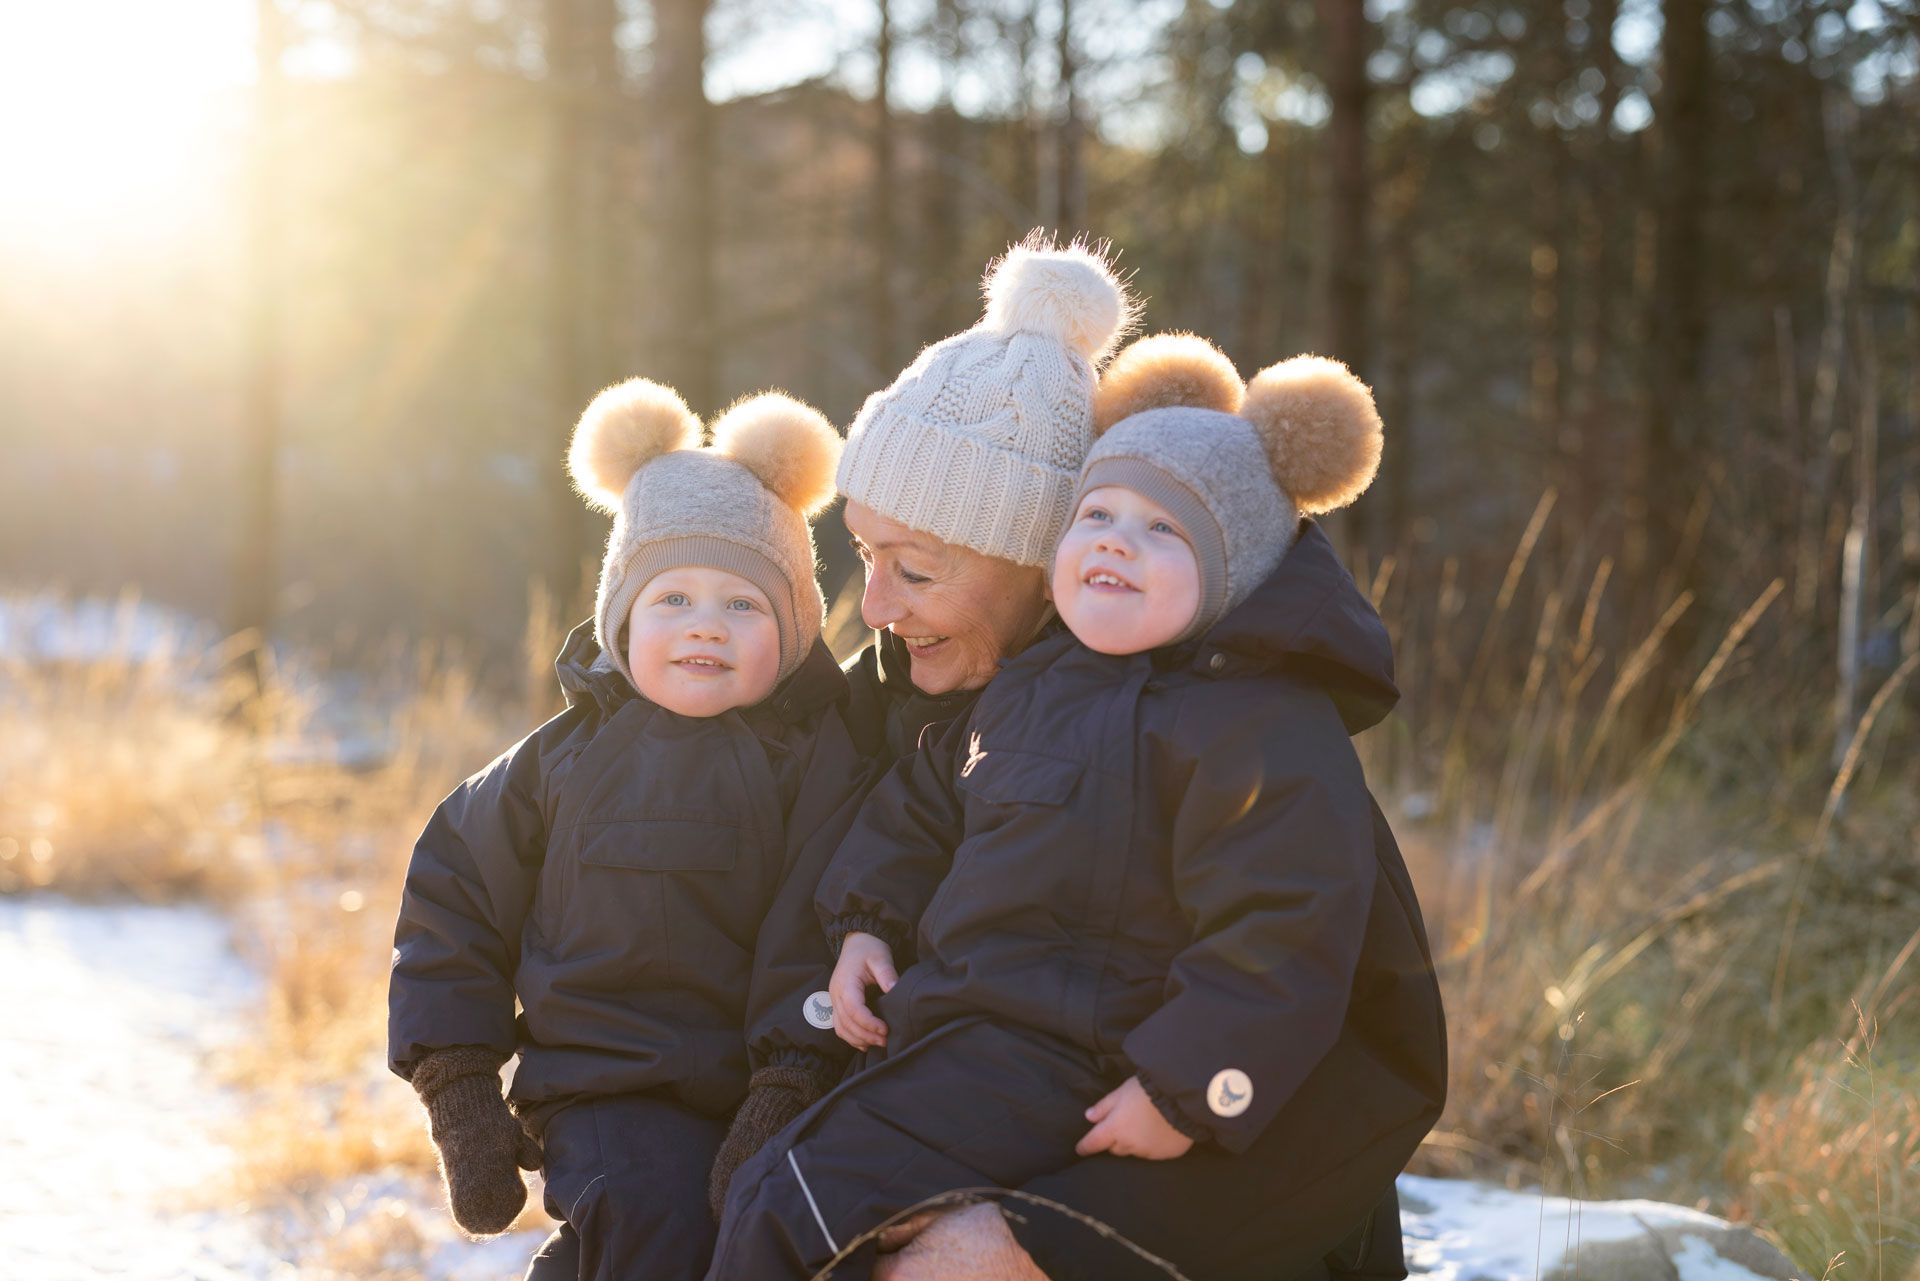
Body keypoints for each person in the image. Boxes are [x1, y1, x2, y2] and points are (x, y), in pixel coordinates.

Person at [709, 333, 1447, 1281]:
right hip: (948, 1072)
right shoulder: (943, 705)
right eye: (862, 553)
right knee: (782, 1205)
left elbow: (1319, 1011)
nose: (878, 606)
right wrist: (857, 933)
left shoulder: (1255, 726)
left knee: (797, 1206)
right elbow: (914, 817)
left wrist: (1052, 1232)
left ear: (1029, 557)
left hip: (1123, 1147)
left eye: (918, 567)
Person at [386, 379, 865, 1281]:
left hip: (771, 1089)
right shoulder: (562, 760)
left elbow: (825, 918)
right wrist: (458, 1085)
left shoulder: (819, 764)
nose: (705, 628)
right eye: (672, 599)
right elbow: (453, 894)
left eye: (744, 604)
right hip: (606, 1091)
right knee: (650, 1226)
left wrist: (788, 1084)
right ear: (623, 617)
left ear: (796, 626)